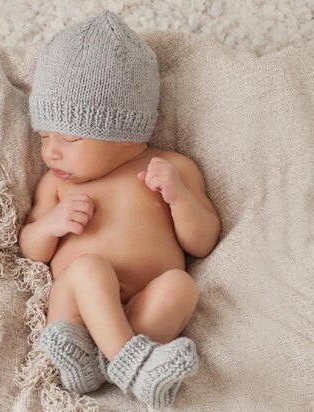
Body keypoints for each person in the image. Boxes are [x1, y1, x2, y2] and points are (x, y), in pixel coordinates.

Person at [19, 9, 221, 409]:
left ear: (127, 136)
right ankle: (134, 366)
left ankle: (113, 360)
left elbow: (202, 242)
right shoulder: (55, 183)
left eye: (71, 138)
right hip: (74, 317)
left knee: (181, 287)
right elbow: (30, 247)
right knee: (90, 268)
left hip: (139, 312)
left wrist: (178, 197)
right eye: (43, 135)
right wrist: (53, 225)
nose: (50, 151)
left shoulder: (171, 169)